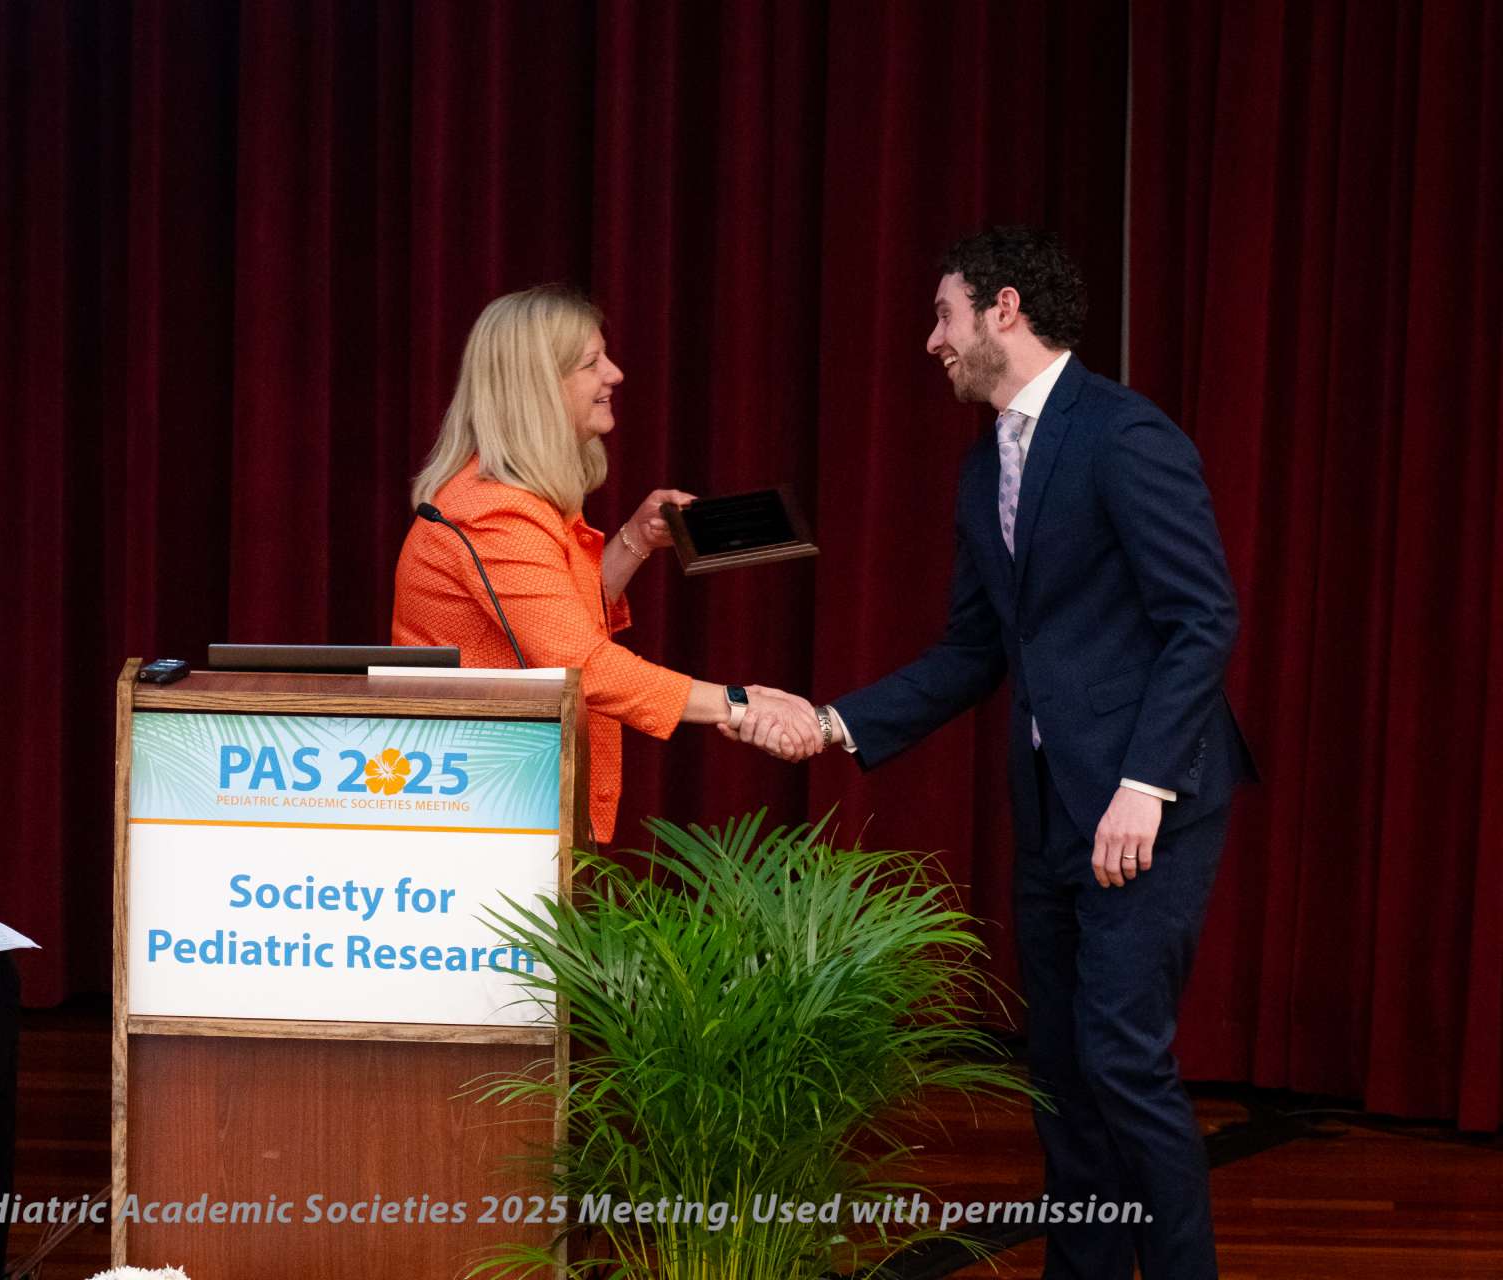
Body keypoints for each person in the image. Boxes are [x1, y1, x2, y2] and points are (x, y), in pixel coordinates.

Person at [742, 227, 1258, 1279]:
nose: (931, 341)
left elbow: (1203, 616)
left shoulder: (1121, 434)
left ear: (1004, 308)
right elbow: (976, 649)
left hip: (1143, 806)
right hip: (1054, 812)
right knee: (1064, 1070)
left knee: (1121, 1059)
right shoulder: (987, 468)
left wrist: (1142, 784)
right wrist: (835, 722)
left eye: (943, 315)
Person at [392, 284, 816, 843]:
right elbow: (579, 664)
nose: (615, 374)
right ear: (538, 387)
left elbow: (559, 621)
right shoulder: (496, 511)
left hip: (503, 800)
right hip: (476, 812)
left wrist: (635, 540)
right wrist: (739, 703)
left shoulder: (518, 500)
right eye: (593, 362)